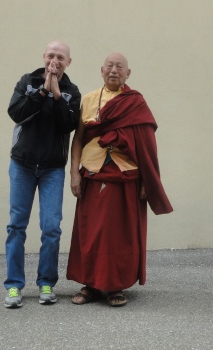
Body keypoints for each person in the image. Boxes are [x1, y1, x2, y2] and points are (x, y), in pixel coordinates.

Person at [66, 52, 173, 307]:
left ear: (128, 73)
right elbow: (78, 138)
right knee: (90, 231)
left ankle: (115, 285)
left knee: (119, 234)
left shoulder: (136, 103)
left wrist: (148, 180)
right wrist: (73, 173)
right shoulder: (90, 100)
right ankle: (90, 284)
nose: (114, 70)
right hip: (93, 171)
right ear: (101, 70)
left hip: (126, 174)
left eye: (120, 67)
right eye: (109, 66)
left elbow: (148, 146)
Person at [3, 41, 81, 309]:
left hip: (52, 169)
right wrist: (41, 92)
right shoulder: (28, 81)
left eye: (60, 57)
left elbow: (69, 124)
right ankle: (14, 286)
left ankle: (46, 282)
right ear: (43, 57)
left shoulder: (72, 91)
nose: (54, 61)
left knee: (51, 228)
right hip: (22, 165)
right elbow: (16, 113)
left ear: (68, 62)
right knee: (17, 226)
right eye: (50, 55)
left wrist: (57, 96)